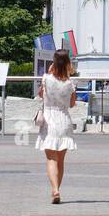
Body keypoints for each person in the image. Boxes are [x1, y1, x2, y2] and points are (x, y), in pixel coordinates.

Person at [36, 49, 77, 204]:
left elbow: (41, 94)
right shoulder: (70, 83)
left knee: (51, 159)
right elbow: (72, 104)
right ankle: (56, 190)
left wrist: (49, 72)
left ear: (53, 62)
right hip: (64, 120)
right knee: (60, 160)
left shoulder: (46, 78)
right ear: (67, 63)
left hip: (49, 119)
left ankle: (55, 190)